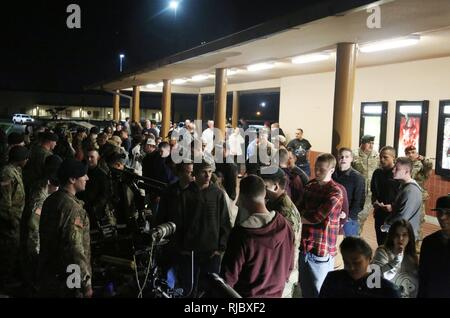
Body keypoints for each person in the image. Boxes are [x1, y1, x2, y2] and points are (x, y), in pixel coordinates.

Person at [221, 175, 294, 298]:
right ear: (265, 194)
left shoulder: (241, 234)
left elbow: (228, 279)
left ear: (242, 198)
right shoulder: (284, 224)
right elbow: (289, 266)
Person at [176, 161, 231, 297]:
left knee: (210, 288)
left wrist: (220, 248)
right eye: (203, 172)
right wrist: (180, 247)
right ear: (195, 174)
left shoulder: (217, 194)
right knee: (188, 288)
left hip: (211, 251)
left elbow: (224, 221)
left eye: (210, 172)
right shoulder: (185, 194)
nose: (207, 175)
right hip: (190, 251)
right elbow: (179, 221)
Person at [37, 159, 92, 297]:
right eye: (83, 175)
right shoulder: (72, 208)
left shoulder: (51, 199)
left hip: (49, 272)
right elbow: (74, 248)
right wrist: (85, 284)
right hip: (69, 275)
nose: (87, 178)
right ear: (72, 179)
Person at [298, 153, 344, 297]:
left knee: (321, 291)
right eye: (315, 168)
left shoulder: (335, 191)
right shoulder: (310, 186)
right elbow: (297, 208)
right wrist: (304, 214)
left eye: (321, 170)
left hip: (320, 249)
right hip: (304, 245)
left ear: (331, 170)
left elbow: (316, 217)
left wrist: (303, 215)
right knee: (305, 290)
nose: (317, 172)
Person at [260, 168, 301, 298]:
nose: (262, 191)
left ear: (276, 187)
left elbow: (287, 247)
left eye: (265, 187)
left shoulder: (284, 212)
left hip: (282, 272)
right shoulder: (274, 203)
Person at [319, 237, 400, 298]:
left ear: (369, 259)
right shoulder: (333, 279)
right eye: (346, 262)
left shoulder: (387, 290)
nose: (351, 267)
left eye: (356, 262)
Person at [0, 146, 29, 290]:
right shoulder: (7, 174)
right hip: (10, 221)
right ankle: (5, 281)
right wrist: (12, 221)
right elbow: (5, 203)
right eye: (26, 158)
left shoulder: (15, 171)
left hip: (16, 218)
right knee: (8, 250)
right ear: (20, 160)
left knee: (14, 249)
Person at [372, 219, 419, 298]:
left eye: (404, 235)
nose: (400, 238)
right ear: (392, 236)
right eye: (397, 235)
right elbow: (376, 278)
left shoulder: (413, 256)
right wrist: (396, 262)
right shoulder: (383, 252)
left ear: (410, 237)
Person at [381, 157, 422, 241]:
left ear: (407, 171)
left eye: (397, 169)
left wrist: (387, 225)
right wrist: (392, 207)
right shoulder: (404, 186)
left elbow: (403, 216)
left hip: (405, 236)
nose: (393, 171)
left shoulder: (411, 190)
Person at [418, 195, 450, 298]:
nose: (442, 217)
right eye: (439, 212)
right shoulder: (429, 242)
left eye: (448, 213)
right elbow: (423, 276)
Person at [371, 146, 401, 245]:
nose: (382, 160)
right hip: (380, 214)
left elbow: (403, 197)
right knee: (381, 242)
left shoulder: (399, 174)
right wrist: (374, 202)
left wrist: (393, 207)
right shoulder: (377, 173)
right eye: (380, 157)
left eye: (385, 157)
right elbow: (374, 192)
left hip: (394, 215)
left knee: (393, 245)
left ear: (394, 158)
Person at [332, 148, 365, 237]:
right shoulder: (331, 174)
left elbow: (359, 201)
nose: (343, 159)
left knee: (349, 248)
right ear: (337, 158)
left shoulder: (358, 178)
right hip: (332, 217)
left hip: (348, 220)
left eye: (347, 157)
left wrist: (348, 217)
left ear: (351, 159)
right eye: (341, 156)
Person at [404, 145, 433, 246]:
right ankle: (406, 241)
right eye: (408, 153)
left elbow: (429, 165)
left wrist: (423, 158)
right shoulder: (404, 165)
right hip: (406, 195)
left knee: (419, 220)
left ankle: (417, 243)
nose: (411, 154)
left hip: (418, 196)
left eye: (413, 152)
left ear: (416, 153)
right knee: (405, 218)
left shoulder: (421, 165)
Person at [352, 135, 379, 234]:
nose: (371, 145)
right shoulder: (354, 154)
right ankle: (353, 237)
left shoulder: (376, 155)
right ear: (362, 143)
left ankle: (357, 235)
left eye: (372, 143)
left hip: (369, 193)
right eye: (369, 143)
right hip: (356, 191)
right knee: (354, 216)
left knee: (362, 217)